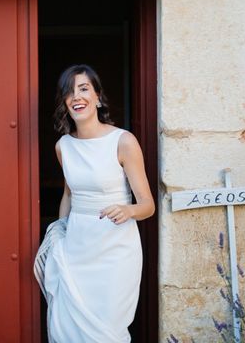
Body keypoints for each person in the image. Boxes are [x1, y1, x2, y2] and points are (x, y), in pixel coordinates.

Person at [34, 64, 155, 343]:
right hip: (77, 247)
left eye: (84, 88)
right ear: (65, 103)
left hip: (115, 250)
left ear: (98, 97)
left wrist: (128, 209)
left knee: (107, 331)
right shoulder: (63, 146)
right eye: (69, 92)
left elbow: (147, 205)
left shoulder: (123, 141)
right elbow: (69, 194)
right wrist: (60, 238)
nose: (77, 96)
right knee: (68, 327)